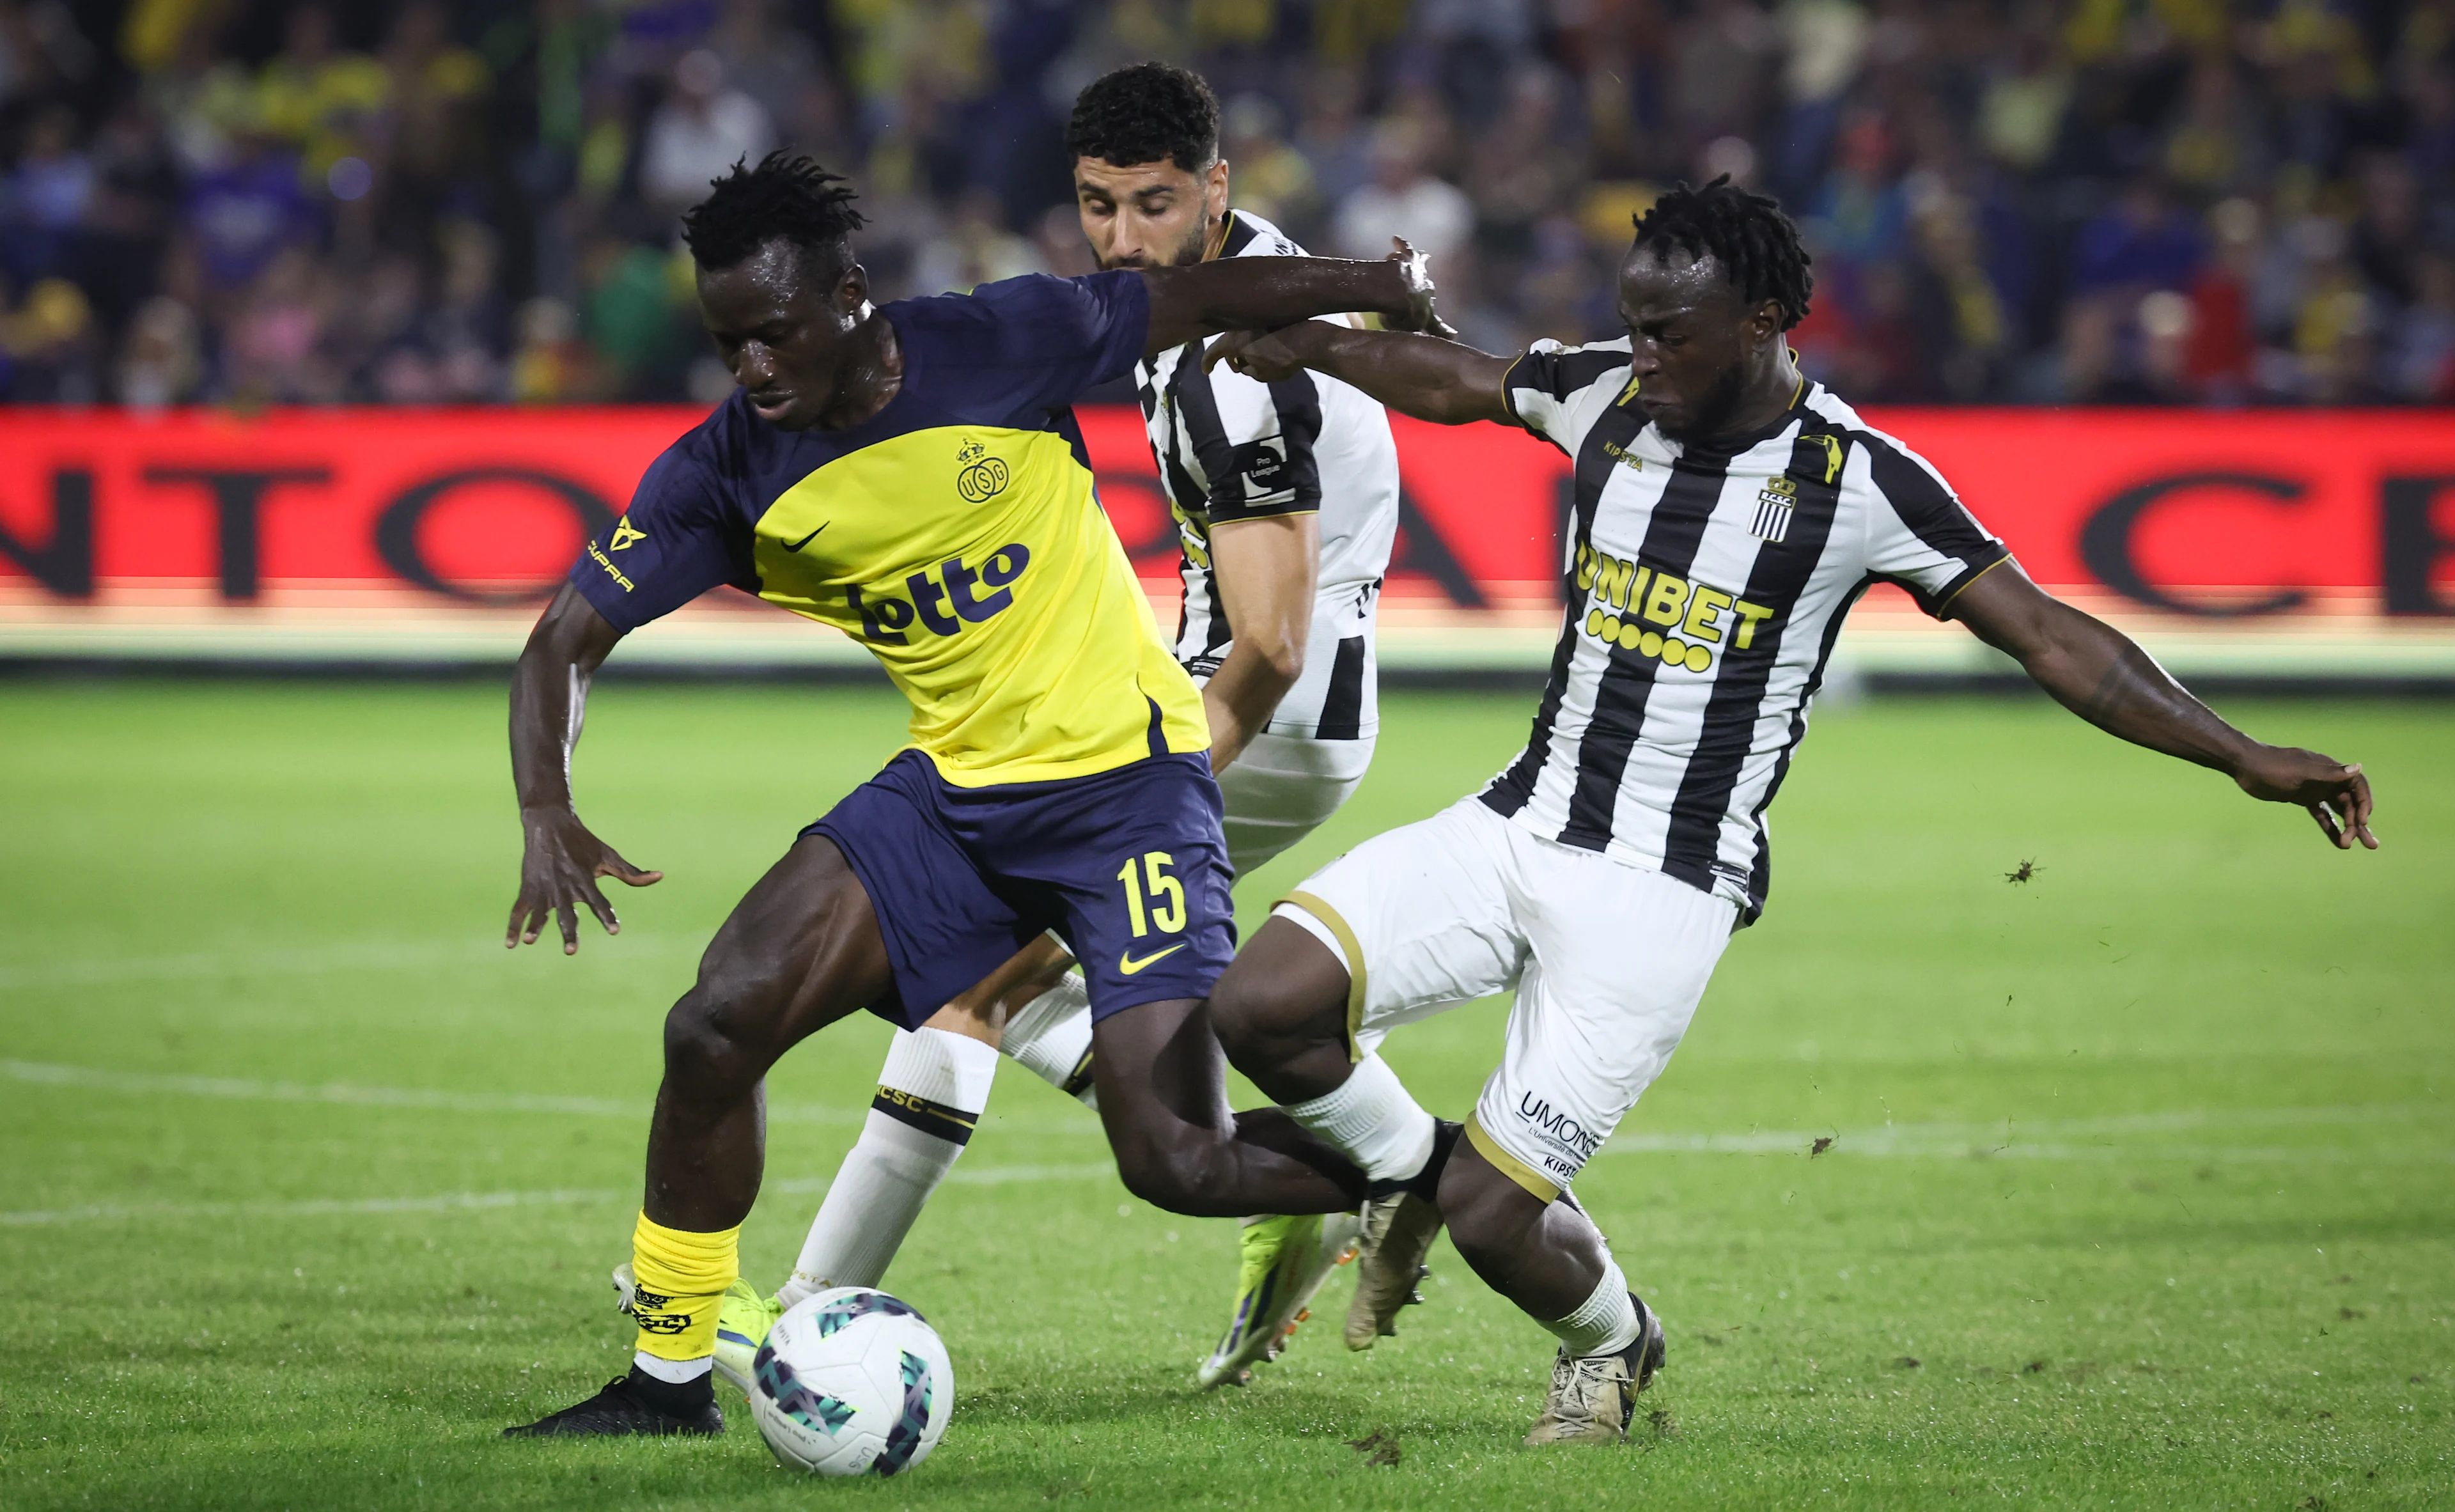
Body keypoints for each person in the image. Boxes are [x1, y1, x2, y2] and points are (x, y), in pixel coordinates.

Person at [1199, 176, 2378, 1446]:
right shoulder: (1607, 391)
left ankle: (1611, 1341)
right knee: (1262, 1005)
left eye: (1672, 335)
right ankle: (1412, 1178)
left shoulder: (1861, 479)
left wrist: (2239, 751)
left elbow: (2047, 635)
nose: (1642, 357)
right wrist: (1311, 343)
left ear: (1763, 320)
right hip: (1519, 819)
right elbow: (1468, 379)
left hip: (1661, 888)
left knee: (1500, 1223)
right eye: (1634, 326)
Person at [499, 151, 1451, 1438]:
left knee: (1173, 1160)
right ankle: (668, 1380)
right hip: (954, 795)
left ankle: (1421, 1176)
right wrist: (546, 806)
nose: (753, 370)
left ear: (848, 296)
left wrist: (1374, 282)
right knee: (716, 1022)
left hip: (1130, 788)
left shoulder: (1001, 339)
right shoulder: (725, 471)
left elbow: (1209, 295)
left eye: (774, 335)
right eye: (729, 344)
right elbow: (563, 640)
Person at [710, 63, 1422, 1399]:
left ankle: (808, 1319)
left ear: (1215, 188)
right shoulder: (1225, 292)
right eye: (1099, 207)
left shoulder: (1228, 371)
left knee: (969, 981)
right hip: (1234, 695)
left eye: (1155, 205)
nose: (1122, 239)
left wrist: (1126, 791)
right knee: (1007, 981)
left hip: (1249, 716)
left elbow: (1268, 645)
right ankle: (1331, 1175)